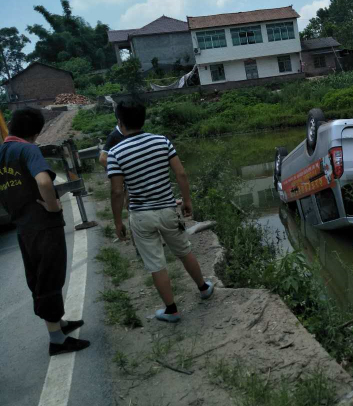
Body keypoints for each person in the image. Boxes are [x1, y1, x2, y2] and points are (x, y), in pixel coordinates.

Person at [107, 101, 214, 322]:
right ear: (143, 119)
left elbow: (117, 191)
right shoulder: (161, 141)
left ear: (120, 123)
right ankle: (203, 288)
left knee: (156, 264)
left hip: (141, 216)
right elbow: (181, 174)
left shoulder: (115, 152)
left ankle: (172, 310)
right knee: (184, 250)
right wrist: (187, 201)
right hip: (167, 209)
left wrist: (118, 221)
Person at [0, 108, 90, 355]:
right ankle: (57, 341)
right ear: (36, 131)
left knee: (39, 276)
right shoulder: (27, 149)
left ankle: (59, 325)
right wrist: (52, 206)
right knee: (50, 277)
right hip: (43, 224)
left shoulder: (2, 152)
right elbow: (43, 181)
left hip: (23, 227)